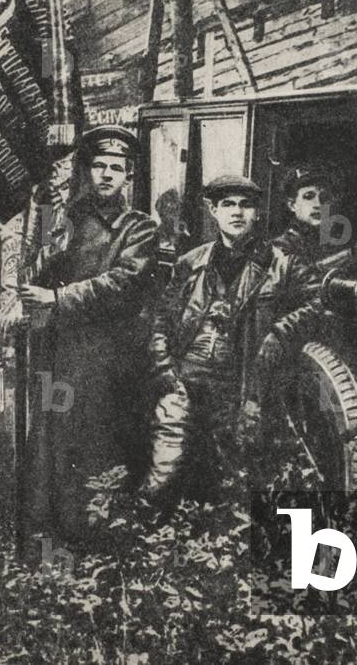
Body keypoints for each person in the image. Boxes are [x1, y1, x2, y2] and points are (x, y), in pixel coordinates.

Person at [0, 125, 158, 550]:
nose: (106, 174)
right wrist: (41, 212)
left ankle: (94, 543)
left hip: (106, 360)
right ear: (87, 171)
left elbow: (122, 283)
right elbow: (35, 260)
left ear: (128, 176)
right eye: (99, 166)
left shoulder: (138, 229)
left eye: (117, 168)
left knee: (96, 444)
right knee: (51, 443)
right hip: (56, 352)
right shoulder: (65, 219)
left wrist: (57, 297)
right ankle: (46, 540)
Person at [145, 175, 322, 497]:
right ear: (213, 210)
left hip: (237, 386)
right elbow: (161, 319)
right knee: (164, 475)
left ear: (256, 213)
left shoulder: (282, 265)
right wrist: (165, 371)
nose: (237, 212)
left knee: (232, 481)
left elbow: (319, 304)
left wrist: (280, 333)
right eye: (228, 204)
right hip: (184, 384)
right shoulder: (190, 263)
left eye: (246, 205)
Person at [272, 165, 346, 267]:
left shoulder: (333, 244)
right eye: (309, 197)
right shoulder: (281, 247)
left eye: (324, 197)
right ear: (292, 205)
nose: (318, 204)